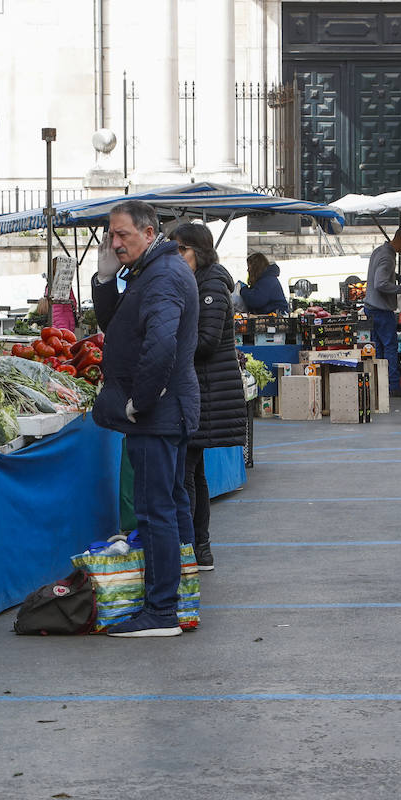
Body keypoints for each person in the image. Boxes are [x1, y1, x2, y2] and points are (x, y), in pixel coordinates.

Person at [91, 200, 199, 638]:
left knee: (156, 512)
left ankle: (161, 611)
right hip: (164, 410)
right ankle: (180, 602)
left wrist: (140, 400)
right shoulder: (150, 272)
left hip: (157, 414)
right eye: (111, 236)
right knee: (169, 505)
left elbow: (161, 343)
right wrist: (102, 279)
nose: (115, 243)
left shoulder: (163, 277)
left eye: (123, 235)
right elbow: (115, 322)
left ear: (150, 233)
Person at [168, 223, 247, 573]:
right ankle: (200, 549)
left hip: (208, 389)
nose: (175, 258)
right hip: (203, 387)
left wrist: (167, 343)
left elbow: (206, 341)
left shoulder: (211, 284)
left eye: (180, 250)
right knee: (193, 471)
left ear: (197, 251)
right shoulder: (200, 282)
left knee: (186, 472)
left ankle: (191, 548)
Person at [363, 226, 401, 397]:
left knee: (377, 348)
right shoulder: (388, 257)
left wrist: (399, 277)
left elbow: (384, 274)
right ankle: (393, 386)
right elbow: (381, 283)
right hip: (382, 310)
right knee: (390, 347)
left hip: (370, 307)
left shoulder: (379, 251)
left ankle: (378, 384)